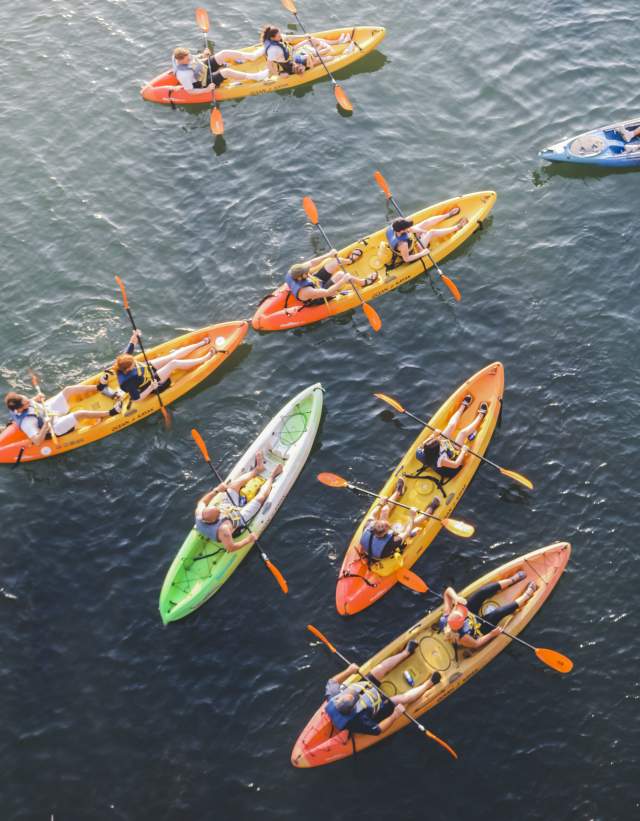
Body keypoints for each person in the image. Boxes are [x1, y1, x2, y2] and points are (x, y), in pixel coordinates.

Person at [324, 641, 442, 736]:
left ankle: (406, 652)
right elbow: (377, 730)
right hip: (377, 706)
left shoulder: (333, 697)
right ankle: (429, 683)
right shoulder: (357, 721)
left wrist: (348, 671)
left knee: (379, 669)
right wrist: (394, 715)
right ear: (353, 707)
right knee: (401, 699)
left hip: (366, 688)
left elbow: (332, 681)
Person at [194, 452, 283, 552]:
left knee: (233, 486)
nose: (219, 511)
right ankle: (272, 476)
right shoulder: (224, 531)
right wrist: (248, 540)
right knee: (260, 499)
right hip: (237, 518)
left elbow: (202, 501)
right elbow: (230, 548)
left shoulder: (199, 514)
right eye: (219, 513)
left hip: (227, 506)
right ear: (216, 519)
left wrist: (217, 490)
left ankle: (257, 469)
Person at [439, 572, 538, 650]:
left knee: (482, 592)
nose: (462, 609)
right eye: (462, 612)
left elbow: (447, 592)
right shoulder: (463, 637)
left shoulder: (445, 618)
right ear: (462, 622)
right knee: (498, 612)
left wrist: (455, 598)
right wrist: (492, 634)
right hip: (479, 628)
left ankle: (512, 580)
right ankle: (527, 595)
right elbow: (476, 644)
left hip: (471, 616)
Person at [113, 331, 213, 403]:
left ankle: (202, 343)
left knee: (171, 357)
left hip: (147, 369)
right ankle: (204, 359)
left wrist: (135, 335)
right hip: (151, 382)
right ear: (127, 369)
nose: (135, 364)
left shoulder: (124, 359)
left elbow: (132, 343)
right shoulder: (127, 382)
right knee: (174, 363)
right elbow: (137, 399)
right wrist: (151, 387)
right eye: (133, 365)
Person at [4, 386, 121, 447]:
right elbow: (37, 441)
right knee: (80, 414)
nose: (28, 401)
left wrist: (36, 398)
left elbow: (30, 403)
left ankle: (100, 387)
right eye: (26, 403)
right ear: (19, 409)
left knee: (68, 390)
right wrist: (45, 426)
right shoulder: (27, 423)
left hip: (48, 411)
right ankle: (111, 413)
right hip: (53, 427)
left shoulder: (20, 401)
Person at [359, 477, 441, 562]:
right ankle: (429, 511)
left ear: (375, 524)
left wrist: (381, 503)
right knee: (409, 524)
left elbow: (373, 513)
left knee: (384, 510)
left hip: (374, 543)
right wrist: (412, 516)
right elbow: (407, 531)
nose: (388, 523)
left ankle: (398, 491)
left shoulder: (368, 525)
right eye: (388, 528)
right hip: (382, 553)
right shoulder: (392, 542)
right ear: (385, 533)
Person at [415, 394, 488, 479]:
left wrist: (434, 435)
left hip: (439, 453)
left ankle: (463, 406)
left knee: (451, 425)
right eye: (437, 441)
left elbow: (428, 442)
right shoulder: (441, 460)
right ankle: (481, 416)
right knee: (462, 433)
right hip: (451, 466)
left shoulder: (421, 449)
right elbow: (455, 464)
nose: (438, 439)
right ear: (438, 449)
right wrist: (463, 451)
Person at [285, 249, 377, 305]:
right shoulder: (306, 291)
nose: (307, 270)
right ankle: (363, 283)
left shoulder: (293, 272)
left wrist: (329, 254)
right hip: (319, 295)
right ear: (300, 277)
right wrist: (343, 280)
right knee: (341, 275)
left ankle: (350, 261)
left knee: (336, 261)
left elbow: (312, 263)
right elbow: (328, 292)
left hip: (315, 281)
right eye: (306, 272)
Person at [167, 46, 268, 95]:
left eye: (189, 56)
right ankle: (256, 77)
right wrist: (206, 90)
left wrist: (202, 55)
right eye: (187, 59)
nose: (189, 58)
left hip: (201, 68)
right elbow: (190, 91)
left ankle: (252, 56)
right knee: (226, 72)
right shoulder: (183, 75)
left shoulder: (182, 56)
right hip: (201, 82)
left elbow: (193, 59)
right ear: (180, 60)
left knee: (223, 53)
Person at [385, 208, 468, 267]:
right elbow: (406, 259)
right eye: (406, 228)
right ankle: (457, 227)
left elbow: (411, 229)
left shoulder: (394, 227)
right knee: (431, 232)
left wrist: (422, 231)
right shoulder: (403, 244)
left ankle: (448, 214)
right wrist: (422, 253)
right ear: (402, 230)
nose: (408, 228)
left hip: (411, 241)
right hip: (415, 252)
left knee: (425, 223)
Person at [261, 26, 351, 77]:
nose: (280, 36)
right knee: (322, 58)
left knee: (312, 40)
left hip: (293, 53)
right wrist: (279, 74)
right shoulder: (273, 50)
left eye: (280, 34)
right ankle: (344, 54)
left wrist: (304, 36)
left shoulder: (278, 38)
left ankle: (338, 42)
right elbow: (269, 65)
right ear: (272, 38)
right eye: (278, 35)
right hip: (291, 64)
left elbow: (288, 37)